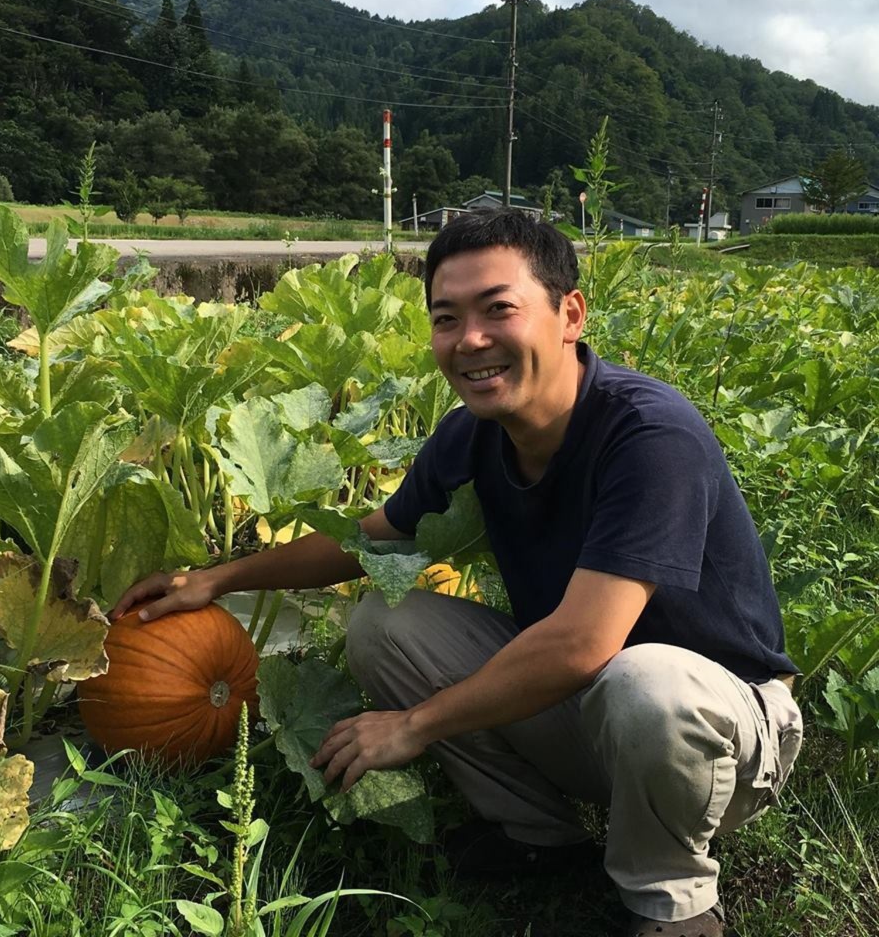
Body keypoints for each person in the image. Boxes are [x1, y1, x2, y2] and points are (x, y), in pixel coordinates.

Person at [114, 208, 802, 937]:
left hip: (723, 737)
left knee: (645, 681)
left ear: (570, 315)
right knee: (385, 624)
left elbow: (583, 644)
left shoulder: (649, 433)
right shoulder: (472, 436)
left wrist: (415, 726)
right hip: (596, 714)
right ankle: (538, 834)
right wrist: (218, 578)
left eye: (498, 309)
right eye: (447, 319)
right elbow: (368, 539)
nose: (469, 340)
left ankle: (672, 900)